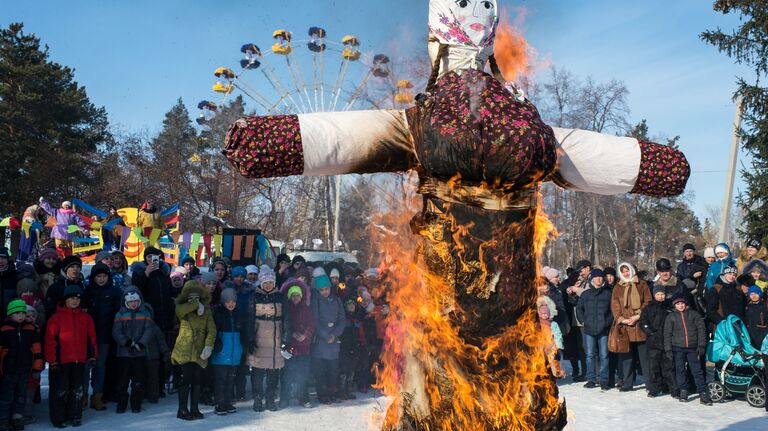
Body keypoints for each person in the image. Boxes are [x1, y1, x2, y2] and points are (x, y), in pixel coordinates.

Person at [44, 285, 97, 428]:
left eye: (77, 299)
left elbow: (91, 338)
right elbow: (50, 340)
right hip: (61, 361)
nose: (75, 301)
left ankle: (75, 415)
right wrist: (52, 360)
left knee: (77, 390)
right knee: (59, 391)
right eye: (72, 298)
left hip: (79, 360)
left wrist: (92, 355)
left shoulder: (86, 318)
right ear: (65, 300)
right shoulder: (56, 318)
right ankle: (58, 418)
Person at [171, 281, 216, 421]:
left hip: (199, 350)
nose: (194, 301)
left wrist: (208, 346)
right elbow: (180, 311)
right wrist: (195, 304)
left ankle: (195, 408)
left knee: (197, 381)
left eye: (197, 298)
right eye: (190, 298)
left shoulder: (207, 311)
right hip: (184, 349)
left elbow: (211, 330)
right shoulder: (181, 308)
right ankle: (182, 410)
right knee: (186, 379)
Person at [83, 263, 122, 411]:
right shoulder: (87, 291)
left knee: (100, 366)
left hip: (105, 335)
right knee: (86, 367)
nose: (101, 279)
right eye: (98, 276)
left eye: (104, 276)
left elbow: (118, 313)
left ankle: (97, 395)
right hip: (87, 337)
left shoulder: (114, 291)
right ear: (93, 278)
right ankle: (83, 395)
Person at [0, 300, 43, 431]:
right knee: (6, 396)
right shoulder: (4, 330)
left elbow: (37, 349)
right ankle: (3, 419)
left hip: (24, 369)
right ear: (10, 314)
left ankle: (17, 418)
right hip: (8, 370)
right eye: (17, 313)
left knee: (21, 395)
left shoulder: (30, 329)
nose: (21, 316)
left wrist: (37, 366)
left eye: (23, 313)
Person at [246, 267, 285, 412]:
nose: (268, 285)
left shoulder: (280, 297)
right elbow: (249, 320)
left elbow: (286, 320)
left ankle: (270, 399)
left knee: (274, 372)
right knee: (258, 371)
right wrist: (250, 339)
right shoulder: (254, 297)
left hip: (276, 338)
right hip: (259, 339)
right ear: (261, 283)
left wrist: (286, 339)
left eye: (270, 282)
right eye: (265, 282)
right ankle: (257, 399)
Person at [663, 294, 711, 405]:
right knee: (680, 370)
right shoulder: (671, 317)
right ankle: (683, 390)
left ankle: (702, 391)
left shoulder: (694, 314)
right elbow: (667, 334)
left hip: (693, 348)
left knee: (697, 370)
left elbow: (701, 330)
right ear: (675, 305)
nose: (680, 306)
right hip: (677, 348)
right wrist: (668, 349)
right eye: (678, 304)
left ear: (686, 304)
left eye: (682, 303)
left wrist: (701, 345)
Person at [112, 287, 154, 414]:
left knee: (138, 380)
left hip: (139, 353)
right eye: (130, 302)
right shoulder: (120, 314)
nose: (133, 303)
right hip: (124, 353)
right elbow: (116, 332)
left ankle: (136, 403)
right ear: (125, 302)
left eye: (135, 301)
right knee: (122, 381)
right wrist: (127, 342)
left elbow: (149, 330)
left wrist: (141, 343)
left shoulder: (145, 314)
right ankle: (121, 404)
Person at [611, 262, 651, 391]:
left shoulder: (642, 284)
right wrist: (622, 319)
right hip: (625, 327)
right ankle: (628, 383)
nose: (626, 273)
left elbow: (648, 301)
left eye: (627, 270)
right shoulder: (618, 287)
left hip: (640, 325)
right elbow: (615, 305)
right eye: (623, 272)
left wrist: (638, 316)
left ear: (632, 270)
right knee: (626, 358)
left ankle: (650, 384)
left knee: (644, 358)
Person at [311, 269, 346, 404]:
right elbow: (315, 321)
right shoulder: (316, 301)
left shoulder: (336, 301)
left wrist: (335, 334)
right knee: (320, 371)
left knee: (333, 370)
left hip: (333, 342)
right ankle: (322, 395)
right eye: (322, 290)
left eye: (327, 289)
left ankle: (332, 392)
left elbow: (342, 320)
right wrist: (326, 336)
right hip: (321, 342)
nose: (325, 292)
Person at [575, 268, 613, 390]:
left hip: (604, 329)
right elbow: (579, 309)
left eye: (601, 277)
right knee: (590, 355)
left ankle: (604, 380)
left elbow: (613, 311)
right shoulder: (586, 294)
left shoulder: (608, 293)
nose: (599, 279)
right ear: (592, 279)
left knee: (604, 355)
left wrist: (607, 322)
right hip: (589, 329)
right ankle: (591, 379)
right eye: (596, 277)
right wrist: (583, 321)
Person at [279, 279, 314, 408]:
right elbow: (283, 325)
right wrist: (292, 334)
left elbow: (311, 324)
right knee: (287, 373)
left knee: (303, 373)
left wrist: (305, 335)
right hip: (290, 346)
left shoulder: (307, 309)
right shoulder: (286, 309)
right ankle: (285, 397)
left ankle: (303, 396)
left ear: (302, 296)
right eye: (293, 295)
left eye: (297, 295)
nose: (295, 298)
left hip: (304, 346)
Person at [209, 288, 243, 416]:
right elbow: (213, 331)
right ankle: (219, 403)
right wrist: (216, 343)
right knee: (220, 380)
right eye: (228, 301)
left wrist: (243, 346)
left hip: (234, 353)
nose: (231, 304)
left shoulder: (238, 314)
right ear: (223, 302)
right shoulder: (218, 314)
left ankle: (228, 402)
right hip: (221, 353)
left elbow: (242, 332)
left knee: (230, 379)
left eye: (233, 301)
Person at [639, 285, 677, 398]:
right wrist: (650, 332)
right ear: (654, 295)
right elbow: (643, 321)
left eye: (662, 294)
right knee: (653, 367)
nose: (660, 297)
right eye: (658, 294)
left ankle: (671, 389)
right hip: (653, 341)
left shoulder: (669, 307)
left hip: (667, 341)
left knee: (668, 366)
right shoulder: (649, 307)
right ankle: (654, 389)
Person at [131, 247, 175, 335]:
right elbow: (136, 290)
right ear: (145, 258)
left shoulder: (163, 270)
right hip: (149, 310)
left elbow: (169, 289)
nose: (152, 259)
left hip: (165, 310)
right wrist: (146, 273)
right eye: (149, 256)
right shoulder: (139, 271)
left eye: (154, 256)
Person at [706, 265, 746, 330]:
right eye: (729, 274)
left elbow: (743, 309)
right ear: (724, 274)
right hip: (723, 326)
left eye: (734, 275)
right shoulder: (716, 288)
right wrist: (722, 323)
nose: (732, 276)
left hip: (738, 326)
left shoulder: (738, 289)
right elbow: (711, 310)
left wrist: (742, 322)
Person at [538, 295, 564, 378]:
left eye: (546, 314)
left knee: (553, 360)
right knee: (542, 361)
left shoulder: (553, 324)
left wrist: (558, 345)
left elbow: (558, 334)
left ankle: (555, 373)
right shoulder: (538, 324)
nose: (544, 315)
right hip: (542, 346)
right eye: (542, 314)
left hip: (552, 346)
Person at [0, 247, 18, 321]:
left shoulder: (15, 276)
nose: (0, 261)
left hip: (10, 320)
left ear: (8, 259)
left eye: (3, 258)